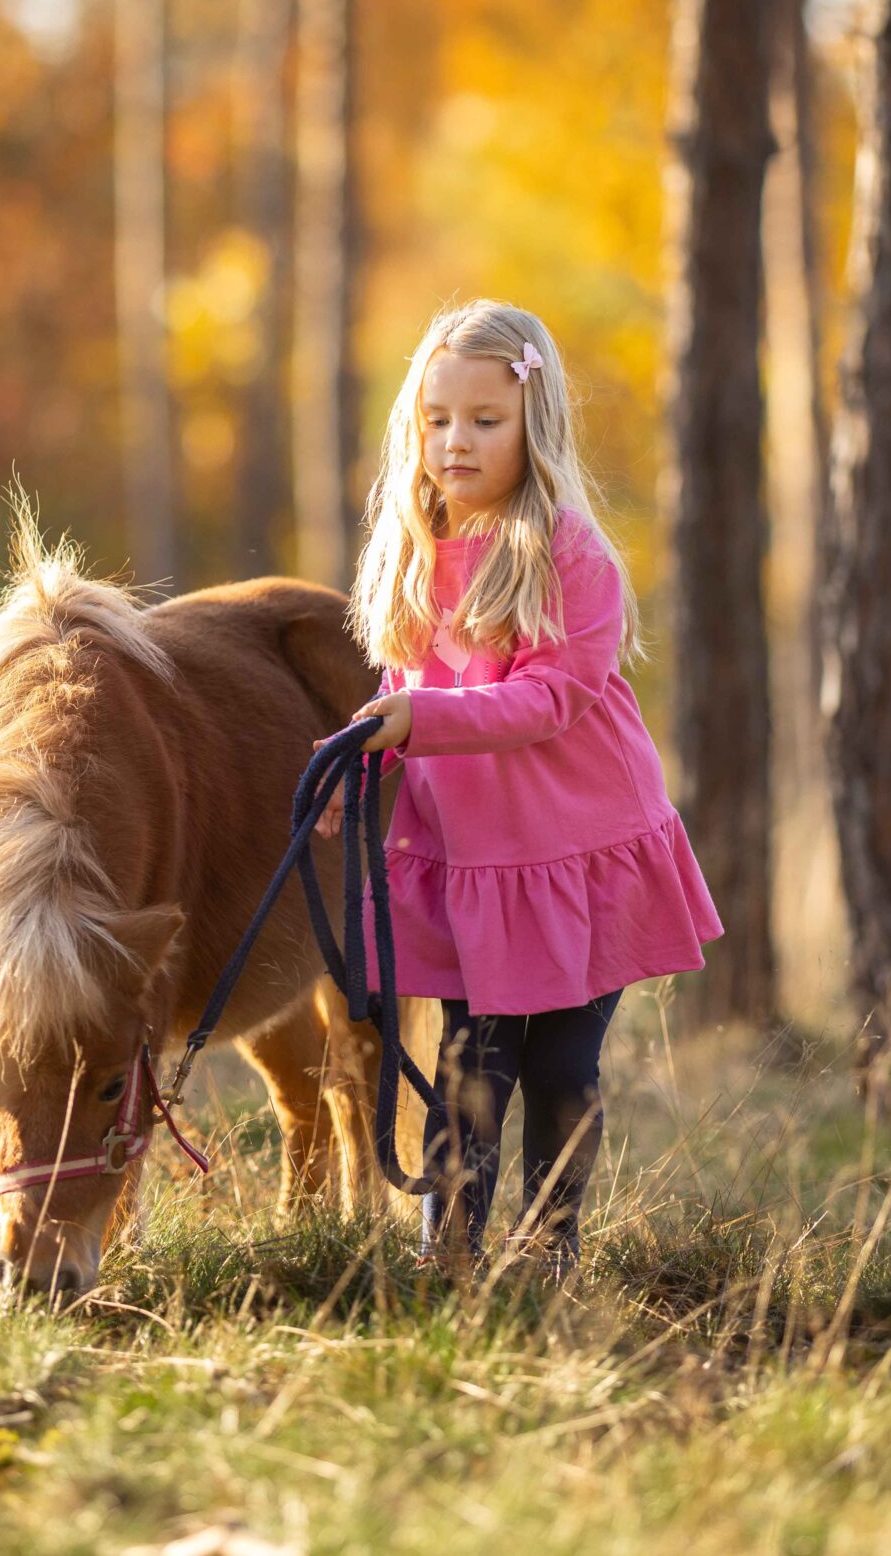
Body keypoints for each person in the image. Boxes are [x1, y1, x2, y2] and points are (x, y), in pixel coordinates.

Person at [311, 298, 723, 1279]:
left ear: (531, 426)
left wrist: (421, 721)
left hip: (579, 848)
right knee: (469, 1060)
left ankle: (550, 1253)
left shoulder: (565, 551)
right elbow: (407, 685)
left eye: (484, 421)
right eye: (437, 418)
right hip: (479, 863)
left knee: (560, 1064)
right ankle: (448, 1252)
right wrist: (356, 756)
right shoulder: (417, 548)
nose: (455, 441)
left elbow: (548, 698)